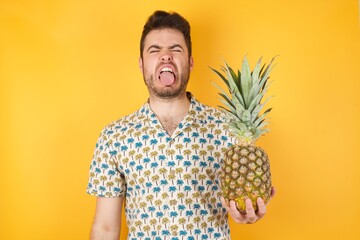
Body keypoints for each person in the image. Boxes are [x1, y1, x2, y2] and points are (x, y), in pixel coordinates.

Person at [87, 10, 274, 240]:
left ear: (190, 62)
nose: (166, 56)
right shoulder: (114, 138)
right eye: (155, 50)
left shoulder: (227, 129)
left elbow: (242, 196)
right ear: (141, 64)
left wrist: (248, 212)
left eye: (176, 49)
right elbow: (105, 228)